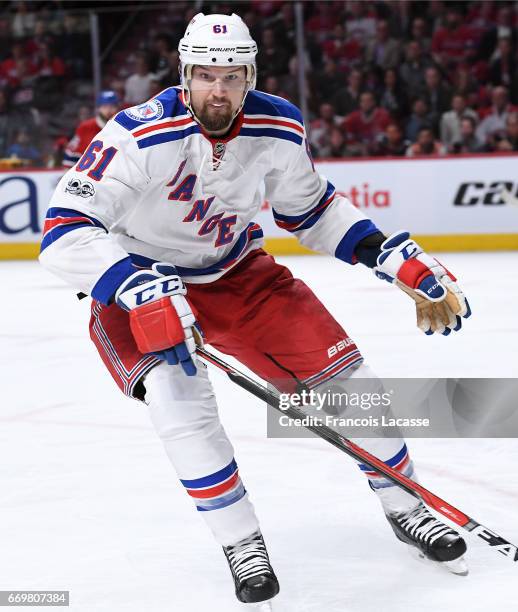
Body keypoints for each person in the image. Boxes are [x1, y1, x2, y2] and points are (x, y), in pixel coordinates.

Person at [39, 13, 471, 607]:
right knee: (181, 408)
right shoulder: (135, 134)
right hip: (143, 282)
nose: (219, 89)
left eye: (233, 75)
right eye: (207, 75)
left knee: (352, 385)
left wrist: (389, 258)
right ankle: (241, 541)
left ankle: (406, 506)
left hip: (240, 276)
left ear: (251, 76)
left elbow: (311, 210)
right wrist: (133, 284)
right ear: (185, 75)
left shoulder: (278, 124)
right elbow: (64, 230)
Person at [62, 90, 120, 167]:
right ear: (98, 108)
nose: (109, 110)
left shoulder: (123, 127)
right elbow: (70, 156)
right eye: (105, 107)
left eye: (112, 106)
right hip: (90, 174)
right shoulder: (86, 127)